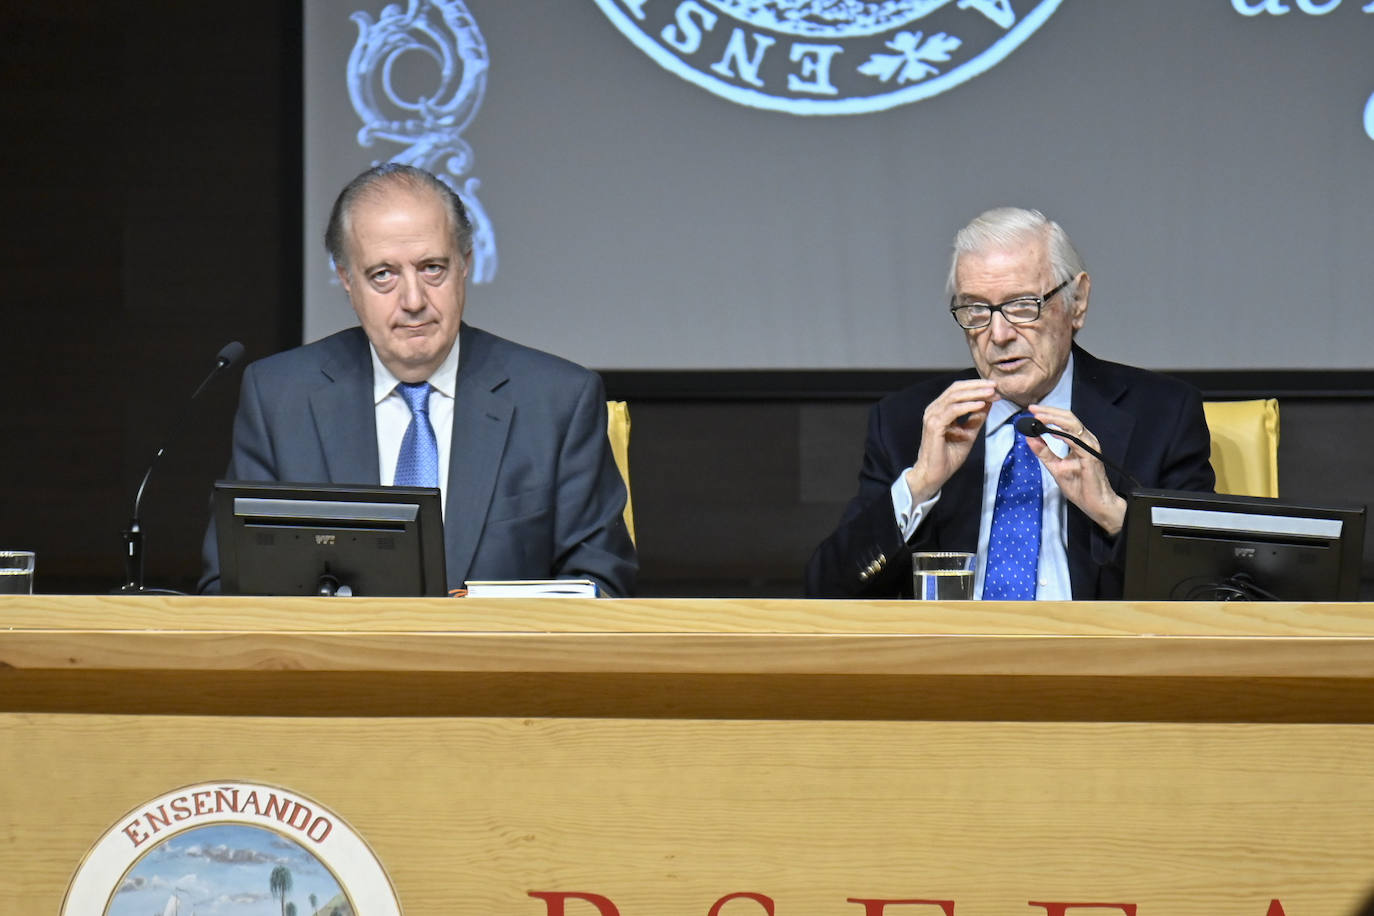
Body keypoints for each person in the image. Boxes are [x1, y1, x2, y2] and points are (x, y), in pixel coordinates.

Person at [199, 164, 636, 595]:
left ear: (464, 264)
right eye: (383, 275)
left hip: (496, 644)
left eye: (432, 268)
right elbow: (231, 584)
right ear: (347, 280)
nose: (413, 300)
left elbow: (600, 584)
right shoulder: (280, 399)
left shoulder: (557, 400)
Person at [805, 207, 1214, 600]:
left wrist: (1112, 514)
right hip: (955, 647)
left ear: (1078, 302)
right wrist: (918, 486)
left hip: (1095, 646)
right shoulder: (908, 422)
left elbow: (1208, 591)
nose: (999, 335)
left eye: (1022, 306)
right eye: (975, 309)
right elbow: (827, 592)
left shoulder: (1161, 414)